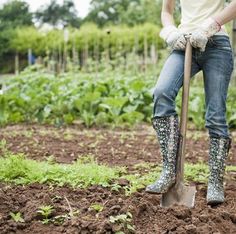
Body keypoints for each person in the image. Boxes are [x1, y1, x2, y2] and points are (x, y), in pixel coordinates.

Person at [145, 0, 236, 205]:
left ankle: (215, 181)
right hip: (183, 42)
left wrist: (211, 25)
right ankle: (170, 172)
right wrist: (170, 31)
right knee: (162, 92)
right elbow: (166, 11)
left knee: (215, 114)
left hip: (216, 44)